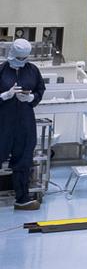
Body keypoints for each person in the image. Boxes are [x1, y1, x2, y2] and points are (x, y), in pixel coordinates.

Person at [0, 38, 46, 208]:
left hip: (25, 123)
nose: (21, 61)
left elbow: (40, 89)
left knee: (24, 160)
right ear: (12, 53)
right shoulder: (2, 70)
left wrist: (31, 97)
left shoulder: (32, 70)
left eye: (24, 58)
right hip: (3, 122)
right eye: (18, 58)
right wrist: (5, 95)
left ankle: (22, 199)